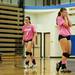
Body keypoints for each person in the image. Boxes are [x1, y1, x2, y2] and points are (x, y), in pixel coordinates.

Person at [56, 8, 72, 72]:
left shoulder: (66, 17)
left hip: (68, 35)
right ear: (61, 12)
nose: (66, 13)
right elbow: (66, 25)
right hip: (62, 36)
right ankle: (63, 67)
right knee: (65, 52)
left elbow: (70, 25)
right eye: (64, 12)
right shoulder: (59, 18)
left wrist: (67, 17)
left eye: (66, 12)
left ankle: (59, 63)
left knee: (68, 53)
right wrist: (65, 17)